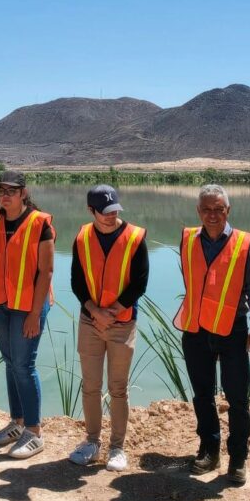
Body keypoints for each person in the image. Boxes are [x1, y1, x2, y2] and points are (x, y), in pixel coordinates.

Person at [173, 184, 250, 485]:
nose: (213, 215)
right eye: (207, 209)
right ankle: (209, 450)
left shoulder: (244, 243)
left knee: (238, 399)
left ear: (228, 211)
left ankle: (238, 459)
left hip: (232, 331)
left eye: (219, 209)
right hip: (196, 330)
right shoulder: (187, 239)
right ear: (199, 211)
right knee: (202, 395)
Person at [68, 185, 149, 472]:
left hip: (121, 324)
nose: (111, 216)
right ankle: (91, 442)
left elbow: (139, 283)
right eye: (105, 213)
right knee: (90, 386)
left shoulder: (135, 237)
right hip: (90, 322)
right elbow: (77, 282)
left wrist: (111, 312)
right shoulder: (82, 237)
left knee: (118, 389)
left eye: (115, 211)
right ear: (91, 211)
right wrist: (95, 311)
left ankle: (117, 447)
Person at [0, 171, 55, 459]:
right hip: (1, 305)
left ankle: (34, 432)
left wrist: (34, 313)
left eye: (11, 191)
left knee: (24, 366)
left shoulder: (40, 223)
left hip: (28, 307)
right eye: (1, 190)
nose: (5, 195)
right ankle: (17, 423)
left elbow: (46, 271)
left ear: (23, 193)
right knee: (11, 363)